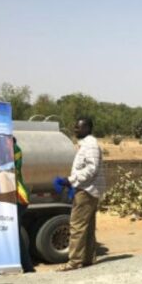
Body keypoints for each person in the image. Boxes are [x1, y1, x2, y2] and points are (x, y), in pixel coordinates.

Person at [56, 116, 106, 272]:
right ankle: (87, 259)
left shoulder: (90, 145)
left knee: (77, 226)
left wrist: (70, 180)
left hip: (86, 190)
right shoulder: (86, 145)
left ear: (88, 128)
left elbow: (92, 168)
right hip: (88, 189)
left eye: (78, 127)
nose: (75, 129)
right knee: (88, 227)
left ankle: (75, 261)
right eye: (75, 126)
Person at [13, 137, 35, 273]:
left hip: (18, 197)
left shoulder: (15, 149)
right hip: (16, 197)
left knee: (15, 233)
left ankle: (27, 267)